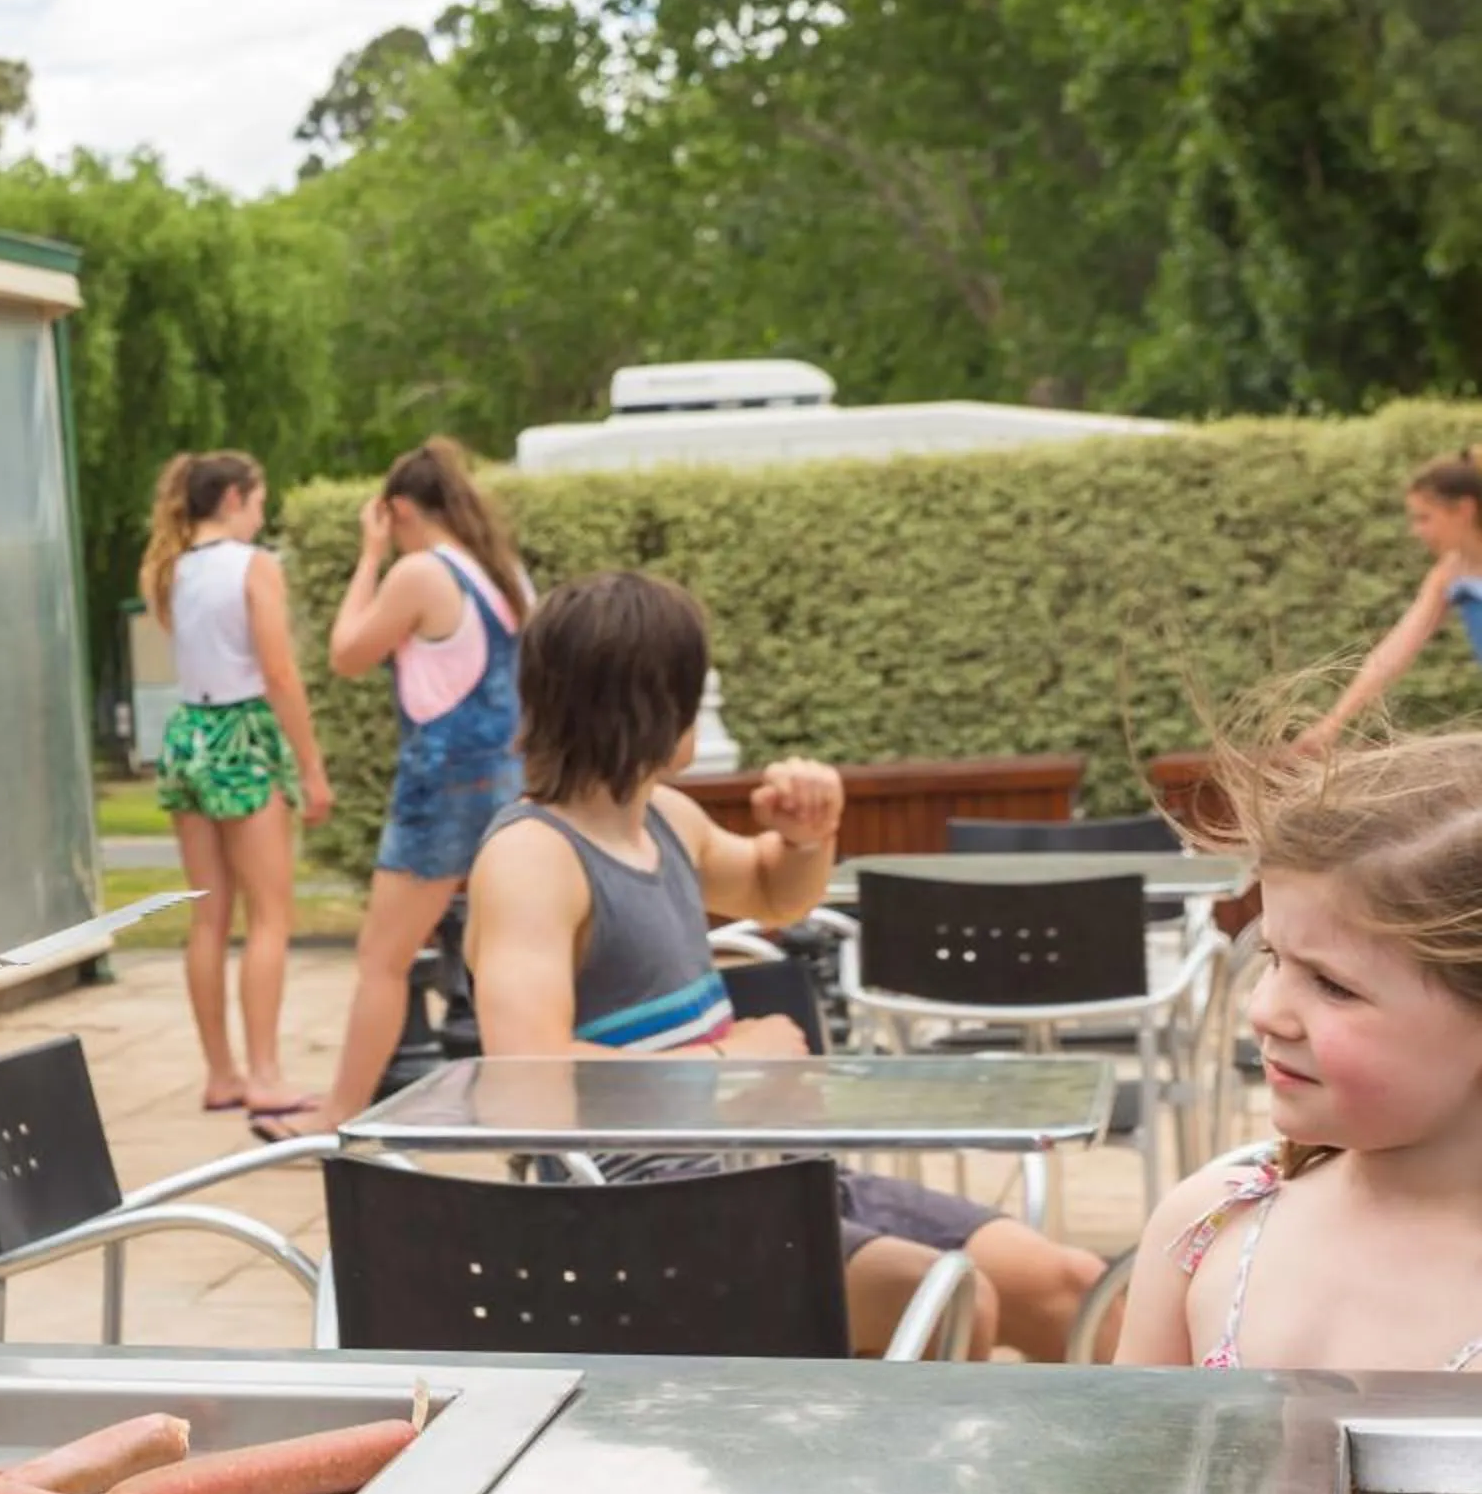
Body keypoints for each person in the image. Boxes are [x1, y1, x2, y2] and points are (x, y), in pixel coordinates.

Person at [464, 570, 1108, 1360]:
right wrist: (730, 1063)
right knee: (943, 1305)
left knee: (1070, 1288)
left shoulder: (661, 814)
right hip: (647, 1214)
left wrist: (807, 835)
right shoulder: (532, 857)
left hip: (769, 1170)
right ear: (655, 702)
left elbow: (773, 893)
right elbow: (526, 1076)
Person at [1119, 727, 1482, 1369]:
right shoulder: (1207, 1226)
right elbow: (1130, 1467)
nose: (1264, 1011)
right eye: (1272, 957)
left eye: (1333, 986)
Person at [255, 439, 528, 1141]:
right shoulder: (500, 574)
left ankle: (337, 1117)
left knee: (382, 960)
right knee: (506, 955)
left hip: (440, 789)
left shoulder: (420, 572)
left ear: (399, 508)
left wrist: (370, 554)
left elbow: (347, 654)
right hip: (507, 783)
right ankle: (529, 1104)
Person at [141, 451, 333, 1120]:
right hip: (243, 734)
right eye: (259, 500)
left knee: (208, 918)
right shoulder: (254, 566)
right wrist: (311, 767)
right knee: (271, 916)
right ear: (231, 498)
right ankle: (267, 1076)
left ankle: (221, 1074)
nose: (262, 513)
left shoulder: (170, 569)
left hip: (187, 732)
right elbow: (279, 673)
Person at [1302, 448, 1482, 750]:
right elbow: (1393, 653)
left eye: (1425, 518)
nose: (1417, 531)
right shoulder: (1450, 574)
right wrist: (1331, 725)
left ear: (1464, 509)